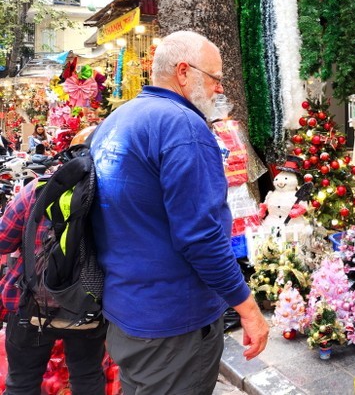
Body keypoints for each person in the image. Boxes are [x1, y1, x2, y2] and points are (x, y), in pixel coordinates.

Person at [89, 30, 269, 394]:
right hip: (174, 323)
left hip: (129, 314)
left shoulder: (116, 121)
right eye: (216, 77)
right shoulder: (184, 127)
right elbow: (201, 236)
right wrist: (249, 310)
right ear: (184, 72)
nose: (220, 89)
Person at [0, 136, 107, 395]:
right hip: (88, 309)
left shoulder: (37, 190)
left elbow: (3, 242)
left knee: (22, 382)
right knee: (87, 379)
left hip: (31, 307)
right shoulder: (109, 199)